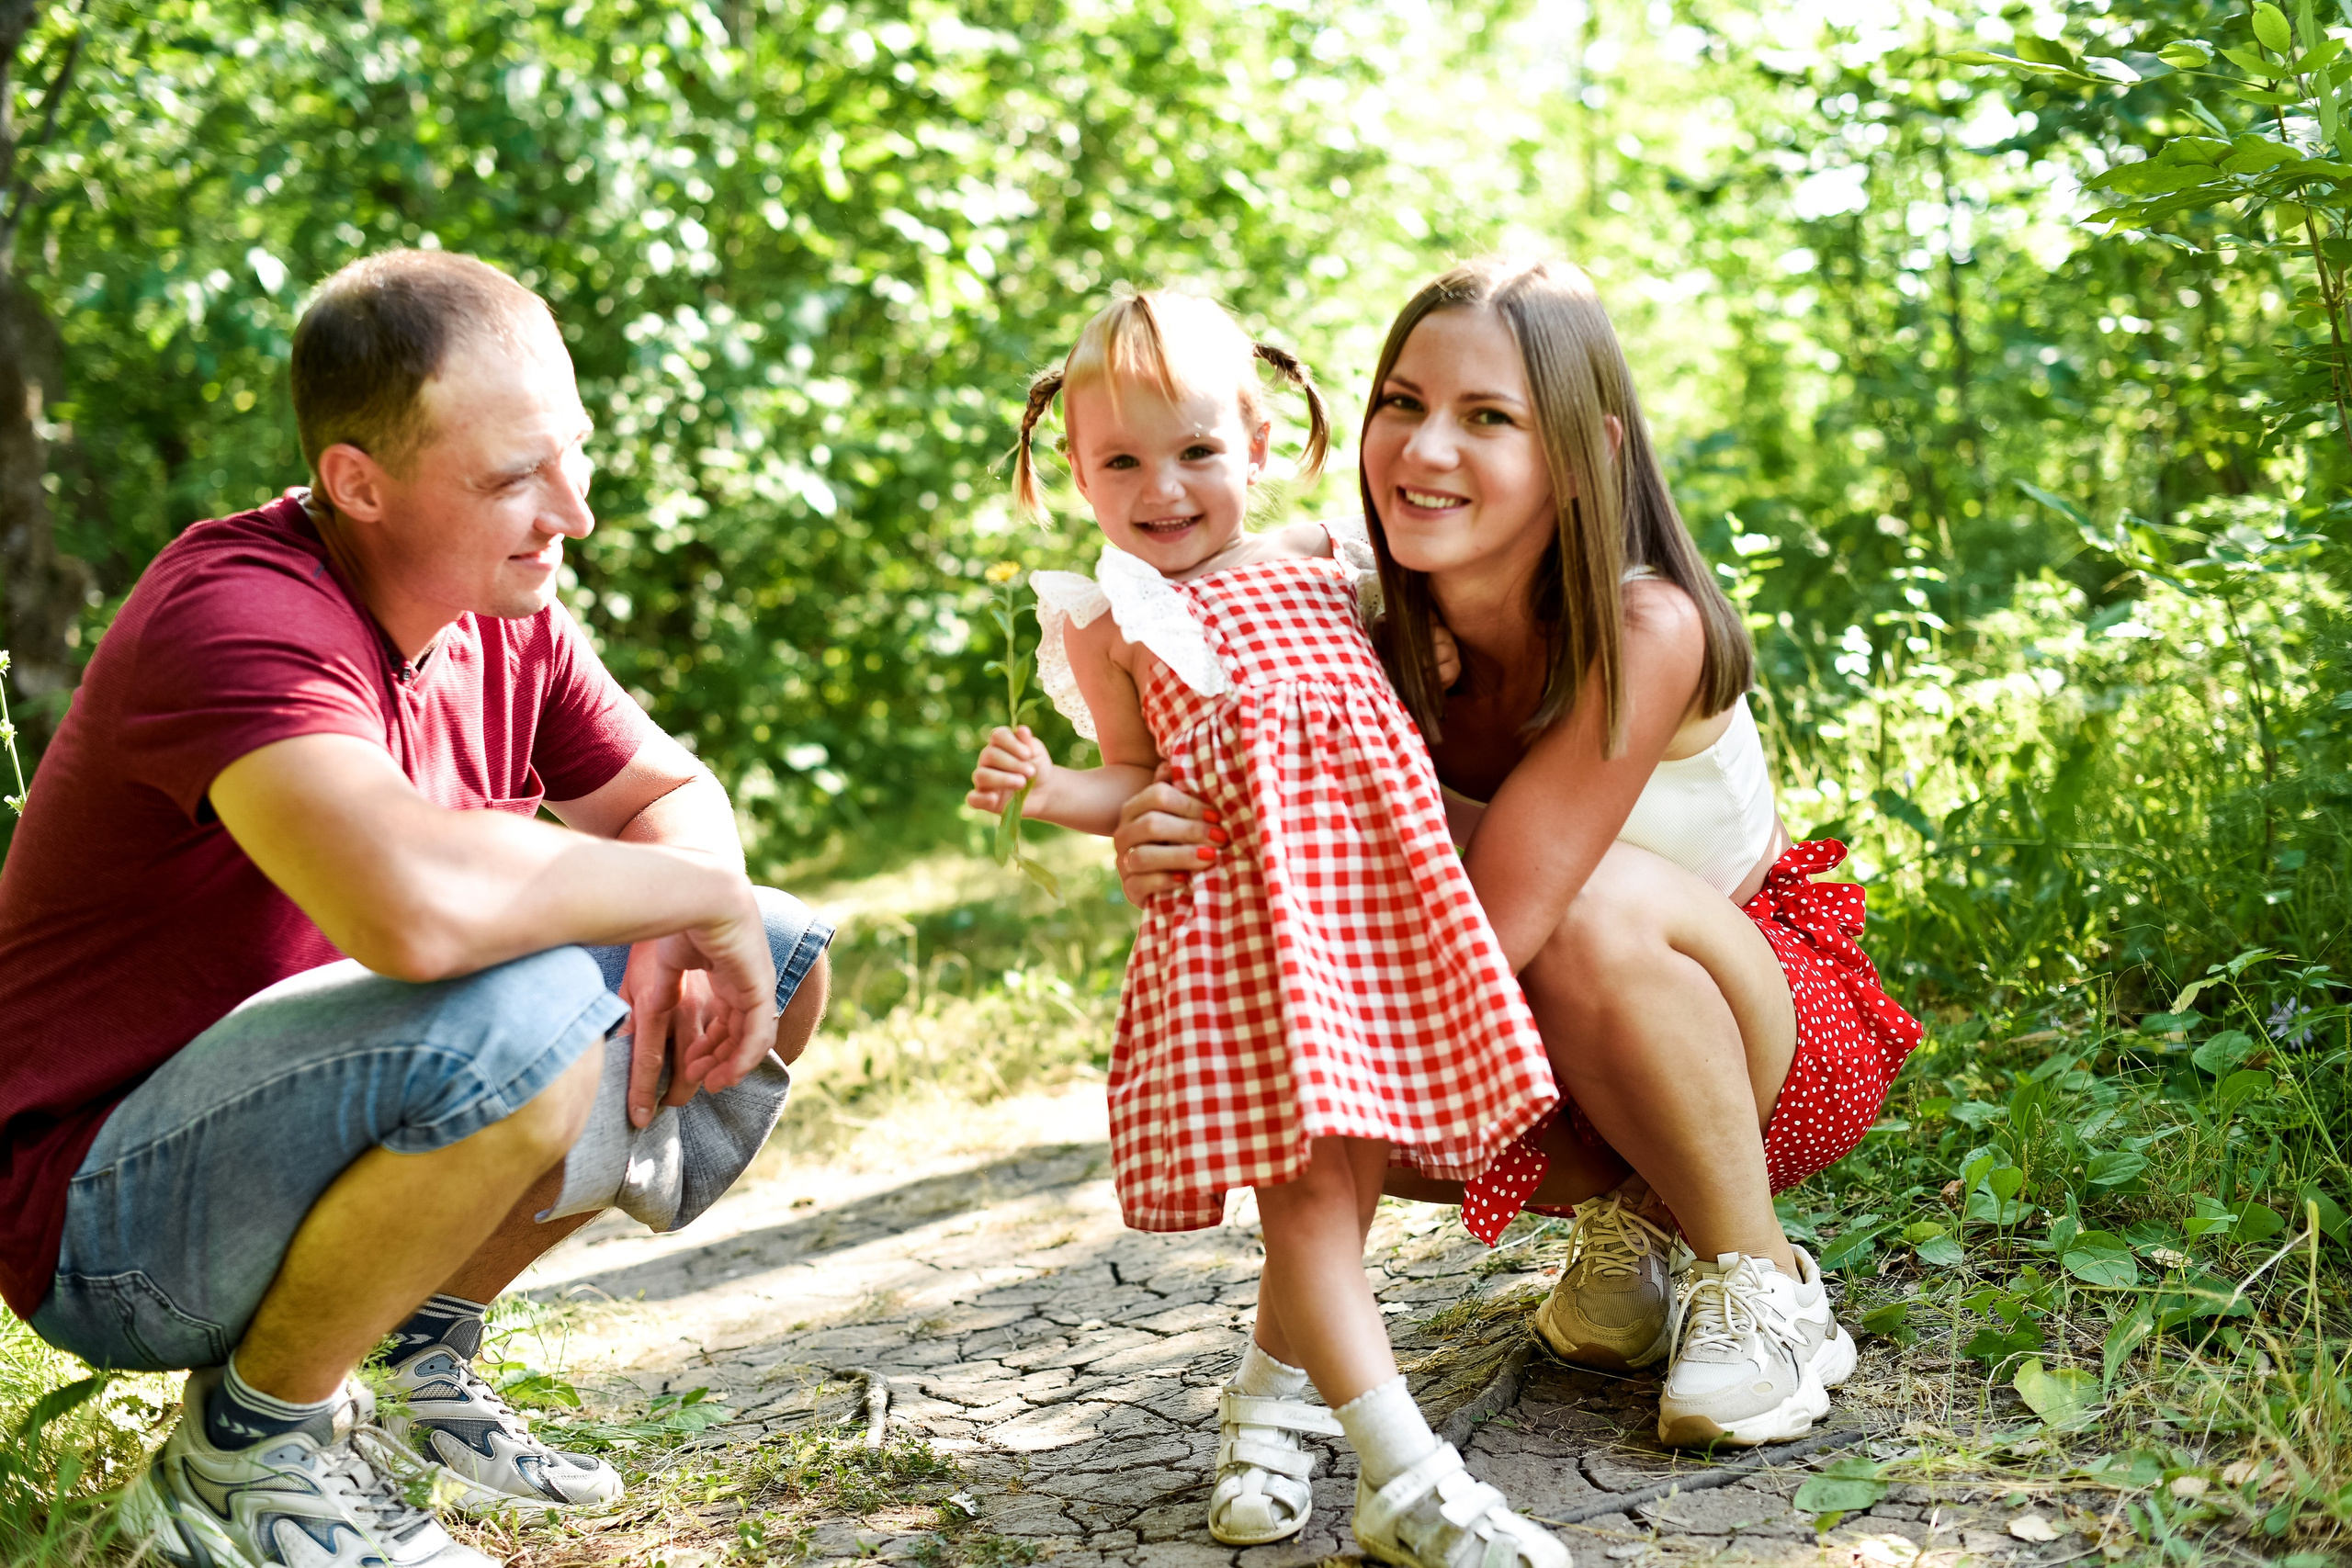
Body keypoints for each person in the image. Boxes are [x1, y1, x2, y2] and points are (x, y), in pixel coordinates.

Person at [0, 250, 833, 1568]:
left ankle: (409, 1362)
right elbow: (417, 916)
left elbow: (668, 791)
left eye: (576, 457)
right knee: (529, 1011)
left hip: (313, 1126)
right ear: (356, 483)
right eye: (513, 479)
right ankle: (250, 1450)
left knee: (776, 954)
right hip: (115, 1221)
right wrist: (691, 894)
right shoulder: (237, 615)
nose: (574, 512)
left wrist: (703, 908)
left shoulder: (502, 610)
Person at [1107, 258, 1924, 1450]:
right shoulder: (1341, 601)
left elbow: (1493, 924)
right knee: (1283, 1034)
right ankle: (1637, 1221)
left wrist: (1349, 798)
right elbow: (1175, 640)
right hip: (1538, 1056)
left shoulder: (1649, 626)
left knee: (1580, 910)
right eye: (1402, 403)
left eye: (1487, 418)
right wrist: (1158, 821)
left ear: (1584, 456)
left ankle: (1760, 1275)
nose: (1426, 451)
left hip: (1762, 1048)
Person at [965, 291, 1568, 1568]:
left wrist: (1438, 669)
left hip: (1369, 913)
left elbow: (1409, 673)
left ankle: (1264, 1410)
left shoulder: (1319, 561)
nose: (1162, 489)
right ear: (1070, 472)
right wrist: (1054, 791)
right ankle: (1404, 1475)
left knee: (1342, 1185)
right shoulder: (1110, 612)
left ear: (1260, 437)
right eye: (1120, 461)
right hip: (1246, 927)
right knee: (1305, 1183)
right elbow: (1141, 779)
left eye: (1195, 451)